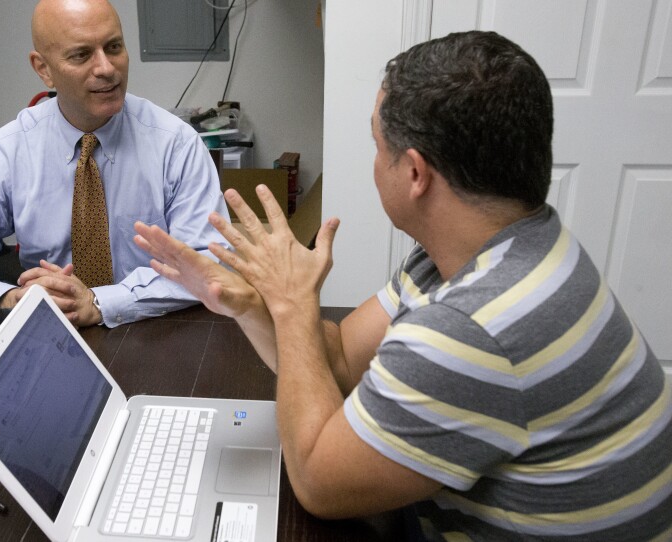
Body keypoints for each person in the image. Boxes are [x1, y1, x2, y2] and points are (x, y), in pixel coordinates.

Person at [133, 31, 672, 540]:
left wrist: (294, 302)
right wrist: (248, 303)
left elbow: (319, 482)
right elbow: (341, 360)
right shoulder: (504, 245)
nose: (372, 162)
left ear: (415, 173)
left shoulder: (472, 330)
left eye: (376, 143)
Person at [0, 0, 229, 328]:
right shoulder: (9, 150)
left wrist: (101, 303)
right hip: (51, 331)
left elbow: (210, 264)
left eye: (113, 46)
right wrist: (6, 299)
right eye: (82, 55)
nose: (106, 68)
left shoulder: (175, 144)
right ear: (43, 69)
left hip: (153, 326)